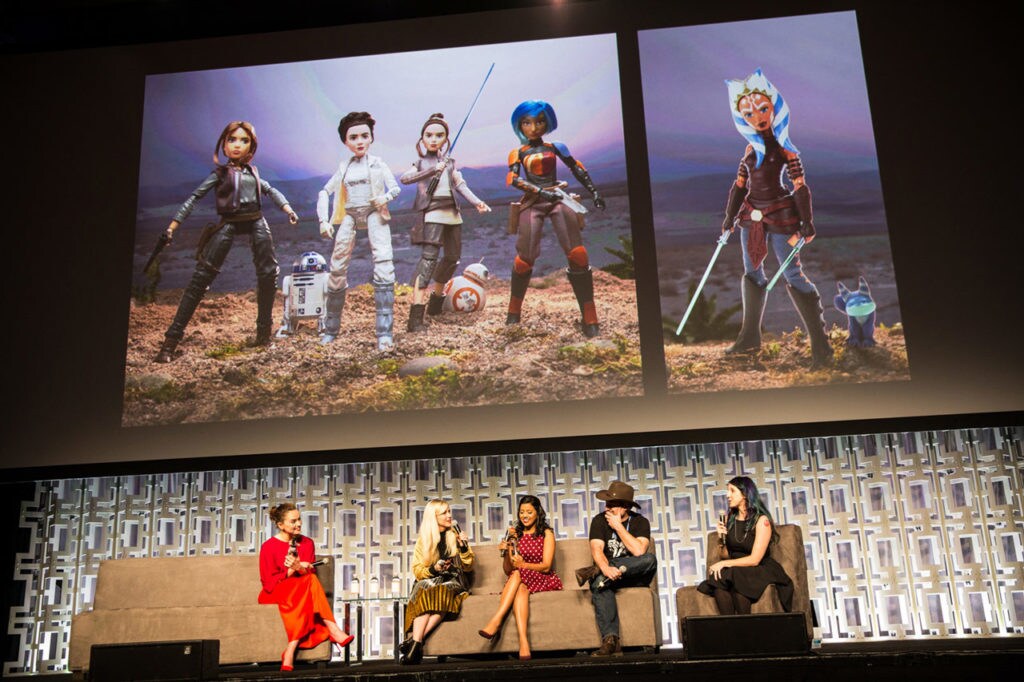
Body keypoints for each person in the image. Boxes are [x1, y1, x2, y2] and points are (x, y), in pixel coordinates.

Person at [154, 121, 299, 362]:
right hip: (228, 222)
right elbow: (194, 198)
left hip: (255, 220)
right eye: (232, 140)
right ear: (223, 144)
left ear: (251, 147)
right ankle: (170, 342)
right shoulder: (219, 174)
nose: (237, 145)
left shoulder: (253, 172)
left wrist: (288, 209)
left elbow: (270, 190)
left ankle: (264, 335)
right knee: (201, 277)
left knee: (268, 273)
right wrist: (172, 227)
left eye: (244, 141)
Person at [720, 69, 832, 367]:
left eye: (763, 108)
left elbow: (799, 186)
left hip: (782, 216)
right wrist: (730, 216)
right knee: (752, 272)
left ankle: (821, 346)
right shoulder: (748, 149)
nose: (757, 116)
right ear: (741, 118)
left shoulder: (786, 147)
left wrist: (807, 220)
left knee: (792, 273)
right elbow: (740, 185)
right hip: (752, 217)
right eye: (748, 113)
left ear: (774, 107)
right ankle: (749, 338)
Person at [505, 100, 605, 338]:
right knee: (525, 258)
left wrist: (594, 192)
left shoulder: (556, 146)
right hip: (533, 202)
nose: (534, 127)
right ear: (520, 125)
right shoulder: (518, 152)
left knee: (578, 253)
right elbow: (513, 179)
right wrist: (540, 192)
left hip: (558, 199)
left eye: (539, 121)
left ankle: (589, 315)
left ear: (547, 121)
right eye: (527, 122)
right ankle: (513, 311)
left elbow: (576, 168)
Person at [317, 111, 401, 351]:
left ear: (371, 138)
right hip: (351, 215)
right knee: (337, 266)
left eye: (364, 135)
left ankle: (384, 332)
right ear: (346, 141)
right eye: (353, 137)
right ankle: (331, 328)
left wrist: (382, 198)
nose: (360, 141)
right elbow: (325, 191)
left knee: (384, 263)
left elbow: (394, 188)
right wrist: (324, 219)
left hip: (375, 212)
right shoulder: (344, 168)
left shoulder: (378, 163)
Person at [400, 113, 490, 332]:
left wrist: (477, 202)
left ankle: (436, 303)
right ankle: (415, 316)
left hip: (453, 215)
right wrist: (431, 169)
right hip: (432, 215)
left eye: (439, 135)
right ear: (422, 138)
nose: (433, 139)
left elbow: (461, 185)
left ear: (445, 139)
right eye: (428, 135)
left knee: (451, 258)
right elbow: (405, 178)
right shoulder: (420, 162)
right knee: (428, 262)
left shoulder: (449, 163)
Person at [258, 503, 353, 672]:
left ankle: (290, 650)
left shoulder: (307, 543)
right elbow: (268, 583)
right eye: (293, 521)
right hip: (276, 592)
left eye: (299, 519)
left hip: (301, 589)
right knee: (310, 580)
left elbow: (308, 573)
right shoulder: (268, 547)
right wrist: (289, 570)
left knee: (310, 578)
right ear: (280, 525)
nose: (299, 524)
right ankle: (333, 629)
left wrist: (299, 568)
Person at [477, 495, 562, 660]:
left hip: (543, 577)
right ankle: (524, 642)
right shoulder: (516, 535)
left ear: (538, 512)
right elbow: (508, 570)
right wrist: (507, 551)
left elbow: (546, 566)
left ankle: (497, 620)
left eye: (529, 512)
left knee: (517, 574)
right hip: (521, 579)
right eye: (522, 512)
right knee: (520, 586)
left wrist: (523, 566)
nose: (525, 516)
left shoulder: (547, 533)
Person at [579, 481, 657, 656]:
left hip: (633, 575)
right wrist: (606, 569)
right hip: (609, 576)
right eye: (607, 504)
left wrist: (618, 527)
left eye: (612, 505)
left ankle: (596, 571)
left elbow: (639, 551)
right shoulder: (599, 521)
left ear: (625, 507)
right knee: (599, 584)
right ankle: (610, 640)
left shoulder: (640, 522)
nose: (607, 508)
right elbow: (596, 549)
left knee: (650, 559)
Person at [696, 476, 794, 615]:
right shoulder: (730, 520)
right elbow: (725, 556)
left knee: (734, 577)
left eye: (732, 491)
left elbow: (755, 559)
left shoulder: (761, 520)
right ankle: (732, 631)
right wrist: (721, 539)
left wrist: (725, 564)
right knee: (719, 582)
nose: (727, 495)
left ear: (745, 494)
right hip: (736, 569)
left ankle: (745, 631)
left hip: (759, 568)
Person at [400, 499, 475, 665]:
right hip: (432, 580)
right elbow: (418, 571)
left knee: (441, 590)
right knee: (424, 589)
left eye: (449, 511)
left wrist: (463, 547)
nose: (449, 516)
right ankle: (416, 645)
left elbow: (468, 566)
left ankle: (413, 643)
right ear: (433, 517)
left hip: (453, 581)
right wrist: (434, 569)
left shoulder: (455, 535)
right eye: (444, 513)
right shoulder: (424, 541)